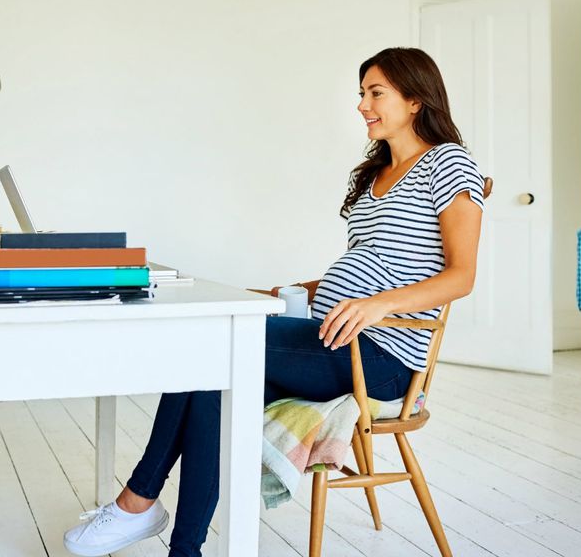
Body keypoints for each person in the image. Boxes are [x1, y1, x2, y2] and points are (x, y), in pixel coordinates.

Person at [62, 47, 485, 557]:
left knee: (209, 343)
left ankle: (138, 502)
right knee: (211, 384)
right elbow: (368, 263)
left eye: (376, 93)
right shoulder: (373, 176)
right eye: (362, 94)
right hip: (327, 334)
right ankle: (182, 548)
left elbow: (461, 276)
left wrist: (377, 306)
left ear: (416, 100)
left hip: (381, 356)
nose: (362, 106)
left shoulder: (448, 163)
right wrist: (287, 293)